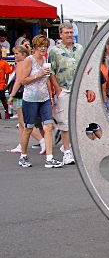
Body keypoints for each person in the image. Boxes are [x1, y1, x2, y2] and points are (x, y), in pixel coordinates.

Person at [18, 35, 63, 168]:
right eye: (41, 46)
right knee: (28, 128)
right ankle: (23, 156)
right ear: (35, 47)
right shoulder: (29, 60)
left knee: (48, 127)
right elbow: (23, 80)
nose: (43, 48)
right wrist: (39, 74)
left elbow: (47, 80)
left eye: (45, 46)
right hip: (30, 99)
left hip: (44, 98)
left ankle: (50, 158)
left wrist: (50, 97)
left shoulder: (45, 60)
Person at [48, 22, 84, 165]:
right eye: (66, 33)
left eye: (71, 32)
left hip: (78, 89)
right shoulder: (55, 51)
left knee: (78, 120)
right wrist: (58, 89)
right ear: (61, 34)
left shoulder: (79, 48)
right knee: (64, 121)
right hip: (64, 89)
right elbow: (51, 71)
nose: (69, 35)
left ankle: (76, 149)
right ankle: (67, 152)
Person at [0, 47, 12, 119]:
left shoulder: (4, 63)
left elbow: (7, 74)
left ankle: (7, 111)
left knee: (2, 97)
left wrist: (6, 83)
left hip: (1, 83)